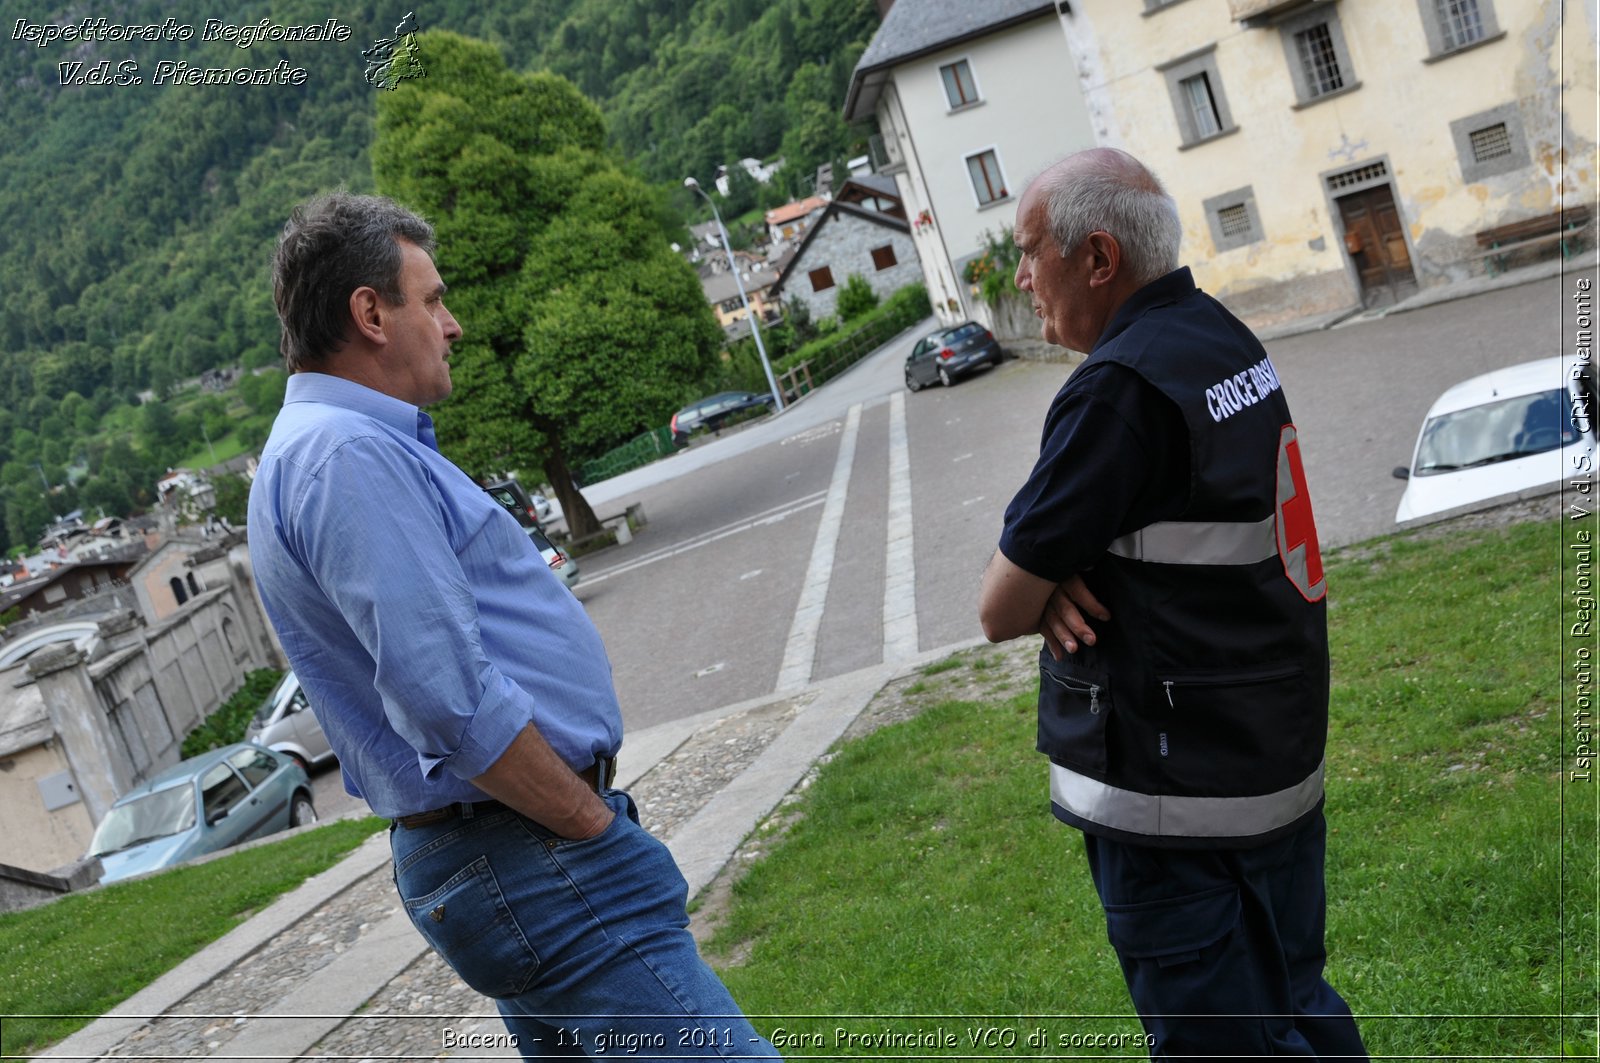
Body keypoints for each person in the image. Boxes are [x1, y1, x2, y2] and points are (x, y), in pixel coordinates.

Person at [248, 191, 778, 1061]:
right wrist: (588, 824)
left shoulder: (314, 447)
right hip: (533, 849)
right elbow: (444, 697)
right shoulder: (345, 454)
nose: (451, 324)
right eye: (432, 299)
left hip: (508, 853)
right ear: (370, 313)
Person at [977, 149, 1367, 1059]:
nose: (1023, 279)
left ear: (1099, 258)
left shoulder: (1116, 390)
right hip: (1267, 762)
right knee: (1297, 1005)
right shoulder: (1222, 339)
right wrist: (1062, 561)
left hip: (1173, 805)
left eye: (1031, 251)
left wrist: (1047, 575)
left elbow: (999, 603)